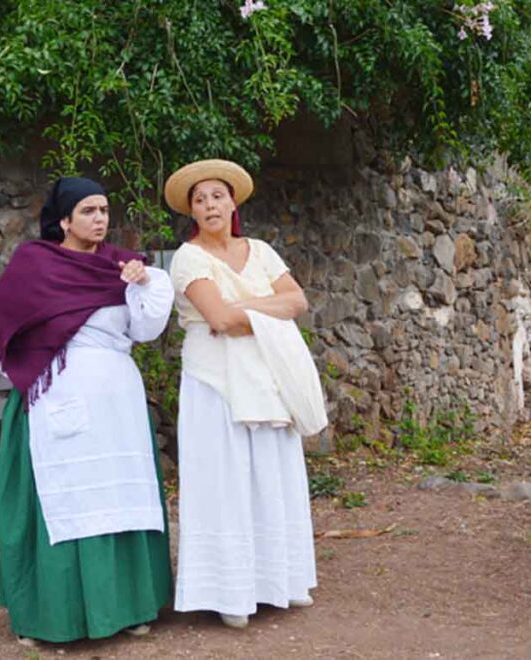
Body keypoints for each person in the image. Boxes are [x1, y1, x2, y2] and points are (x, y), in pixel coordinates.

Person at [0, 177, 175, 644]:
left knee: (119, 497)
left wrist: (144, 280)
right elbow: (3, 323)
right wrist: (32, 380)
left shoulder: (123, 266)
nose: (100, 219)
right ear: (63, 220)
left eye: (104, 210)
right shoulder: (34, 264)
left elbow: (146, 329)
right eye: (88, 211)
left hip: (117, 403)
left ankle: (129, 607)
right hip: (59, 398)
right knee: (67, 495)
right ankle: (52, 616)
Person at [164, 159, 318, 628]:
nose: (210, 205)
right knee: (225, 480)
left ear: (233, 202)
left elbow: (297, 302)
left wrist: (243, 305)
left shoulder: (261, 250)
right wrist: (258, 310)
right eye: (200, 199)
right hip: (216, 381)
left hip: (268, 375)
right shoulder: (189, 258)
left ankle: (282, 580)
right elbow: (219, 319)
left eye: (217, 196)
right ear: (192, 211)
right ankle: (229, 591)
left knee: (272, 474)